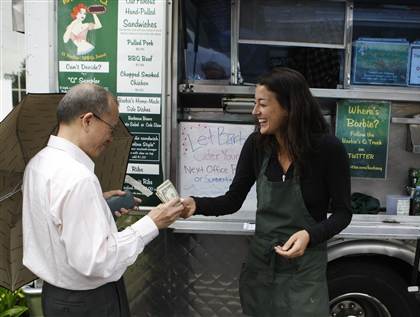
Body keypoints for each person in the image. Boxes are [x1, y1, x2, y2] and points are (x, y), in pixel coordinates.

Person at [181, 67, 352, 316]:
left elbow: (343, 213)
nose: (255, 112)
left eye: (262, 104)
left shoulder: (328, 149)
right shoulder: (256, 146)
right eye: (255, 104)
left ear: (289, 106)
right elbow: (233, 200)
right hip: (261, 267)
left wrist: (309, 235)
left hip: (304, 271)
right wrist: (196, 204)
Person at [22, 83, 184, 317]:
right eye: (111, 127)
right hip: (88, 303)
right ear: (87, 120)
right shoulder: (78, 178)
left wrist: (97, 204)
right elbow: (97, 261)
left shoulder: (39, 163)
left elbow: (57, 222)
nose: (111, 138)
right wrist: (152, 222)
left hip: (56, 298)